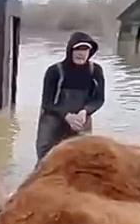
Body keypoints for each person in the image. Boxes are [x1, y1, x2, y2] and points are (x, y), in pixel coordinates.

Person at [35, 31, 106, 161]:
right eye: (77, 49)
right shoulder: (54, 71)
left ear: (90, 52)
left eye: (85, 49)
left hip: (81, 119)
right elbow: (47, 102)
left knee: (80, 159)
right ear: (70, 50)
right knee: (47, 159)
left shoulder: (95, 71)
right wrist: (66, 115)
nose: (81, 53)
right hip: (53, 119)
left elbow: (99, 99)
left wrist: (85, 111)